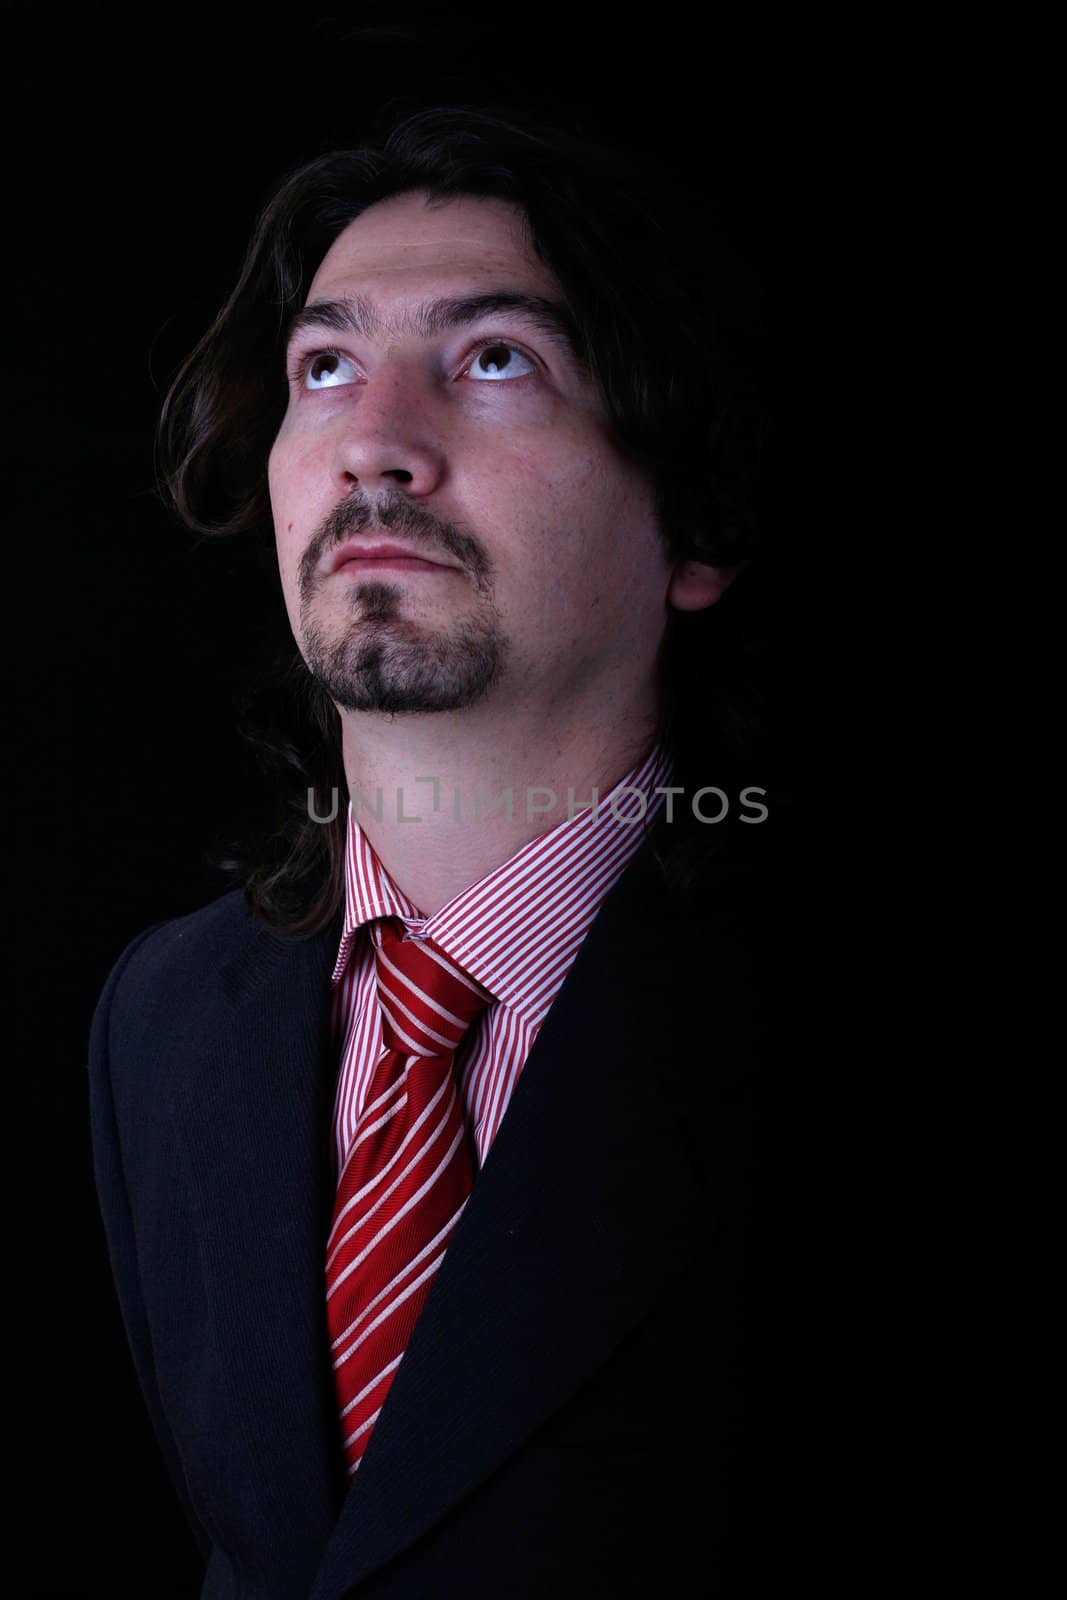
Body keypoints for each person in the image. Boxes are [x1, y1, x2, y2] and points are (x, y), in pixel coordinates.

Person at [89, 103, 781, 1598]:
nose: (375, 447)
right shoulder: (159, 1021)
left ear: (699, 527)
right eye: (324, 367)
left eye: (493, 361)